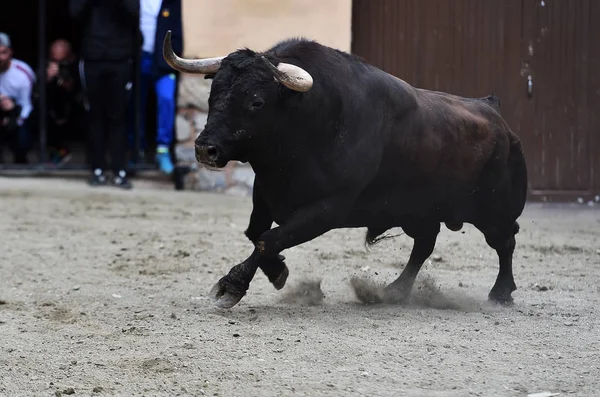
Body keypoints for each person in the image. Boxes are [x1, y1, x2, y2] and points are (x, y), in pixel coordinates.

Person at [69, 0, 140, 189]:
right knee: (94, 116)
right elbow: (75, 14)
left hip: (120, 58)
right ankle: (97, 169)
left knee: (119, 117)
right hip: (92, 57)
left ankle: (119, 170)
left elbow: (133, 13)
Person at [129, 0, 183, 175]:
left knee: (166, 99)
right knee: (135, 102)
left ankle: (163, 149)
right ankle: (137, 149)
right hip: (138, 58)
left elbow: (178, 30)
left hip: (163, 61)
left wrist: (173, 57)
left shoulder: (172, 2)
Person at [0, 32, 35, 164]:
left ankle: (20, 160)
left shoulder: (22, 72)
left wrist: (12, 120)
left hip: (18, 115)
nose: (0, 58)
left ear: (10, 53)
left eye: (3, 53)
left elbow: (28, 105)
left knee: (22, 139)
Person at [46, 39, 81, 166]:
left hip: (74, 109)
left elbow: (78, 92)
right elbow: (37, 93)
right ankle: (58, 151)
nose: (58, 64)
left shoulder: (78, 67)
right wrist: (48, 78)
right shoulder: (47, 66)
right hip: (51, 109)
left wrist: (67, 83)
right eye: (55, 60)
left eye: (62, 61)